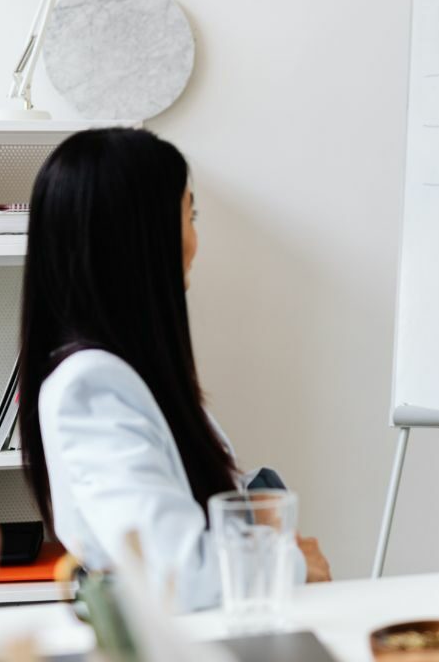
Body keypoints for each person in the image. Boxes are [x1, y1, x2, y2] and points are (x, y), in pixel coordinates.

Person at [16, 128, 331, 612]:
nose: (194, 239)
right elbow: (175, 573)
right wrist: (290, 562)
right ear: (144, 234)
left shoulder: (126, 374)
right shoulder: (92, 385)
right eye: (191, 214)